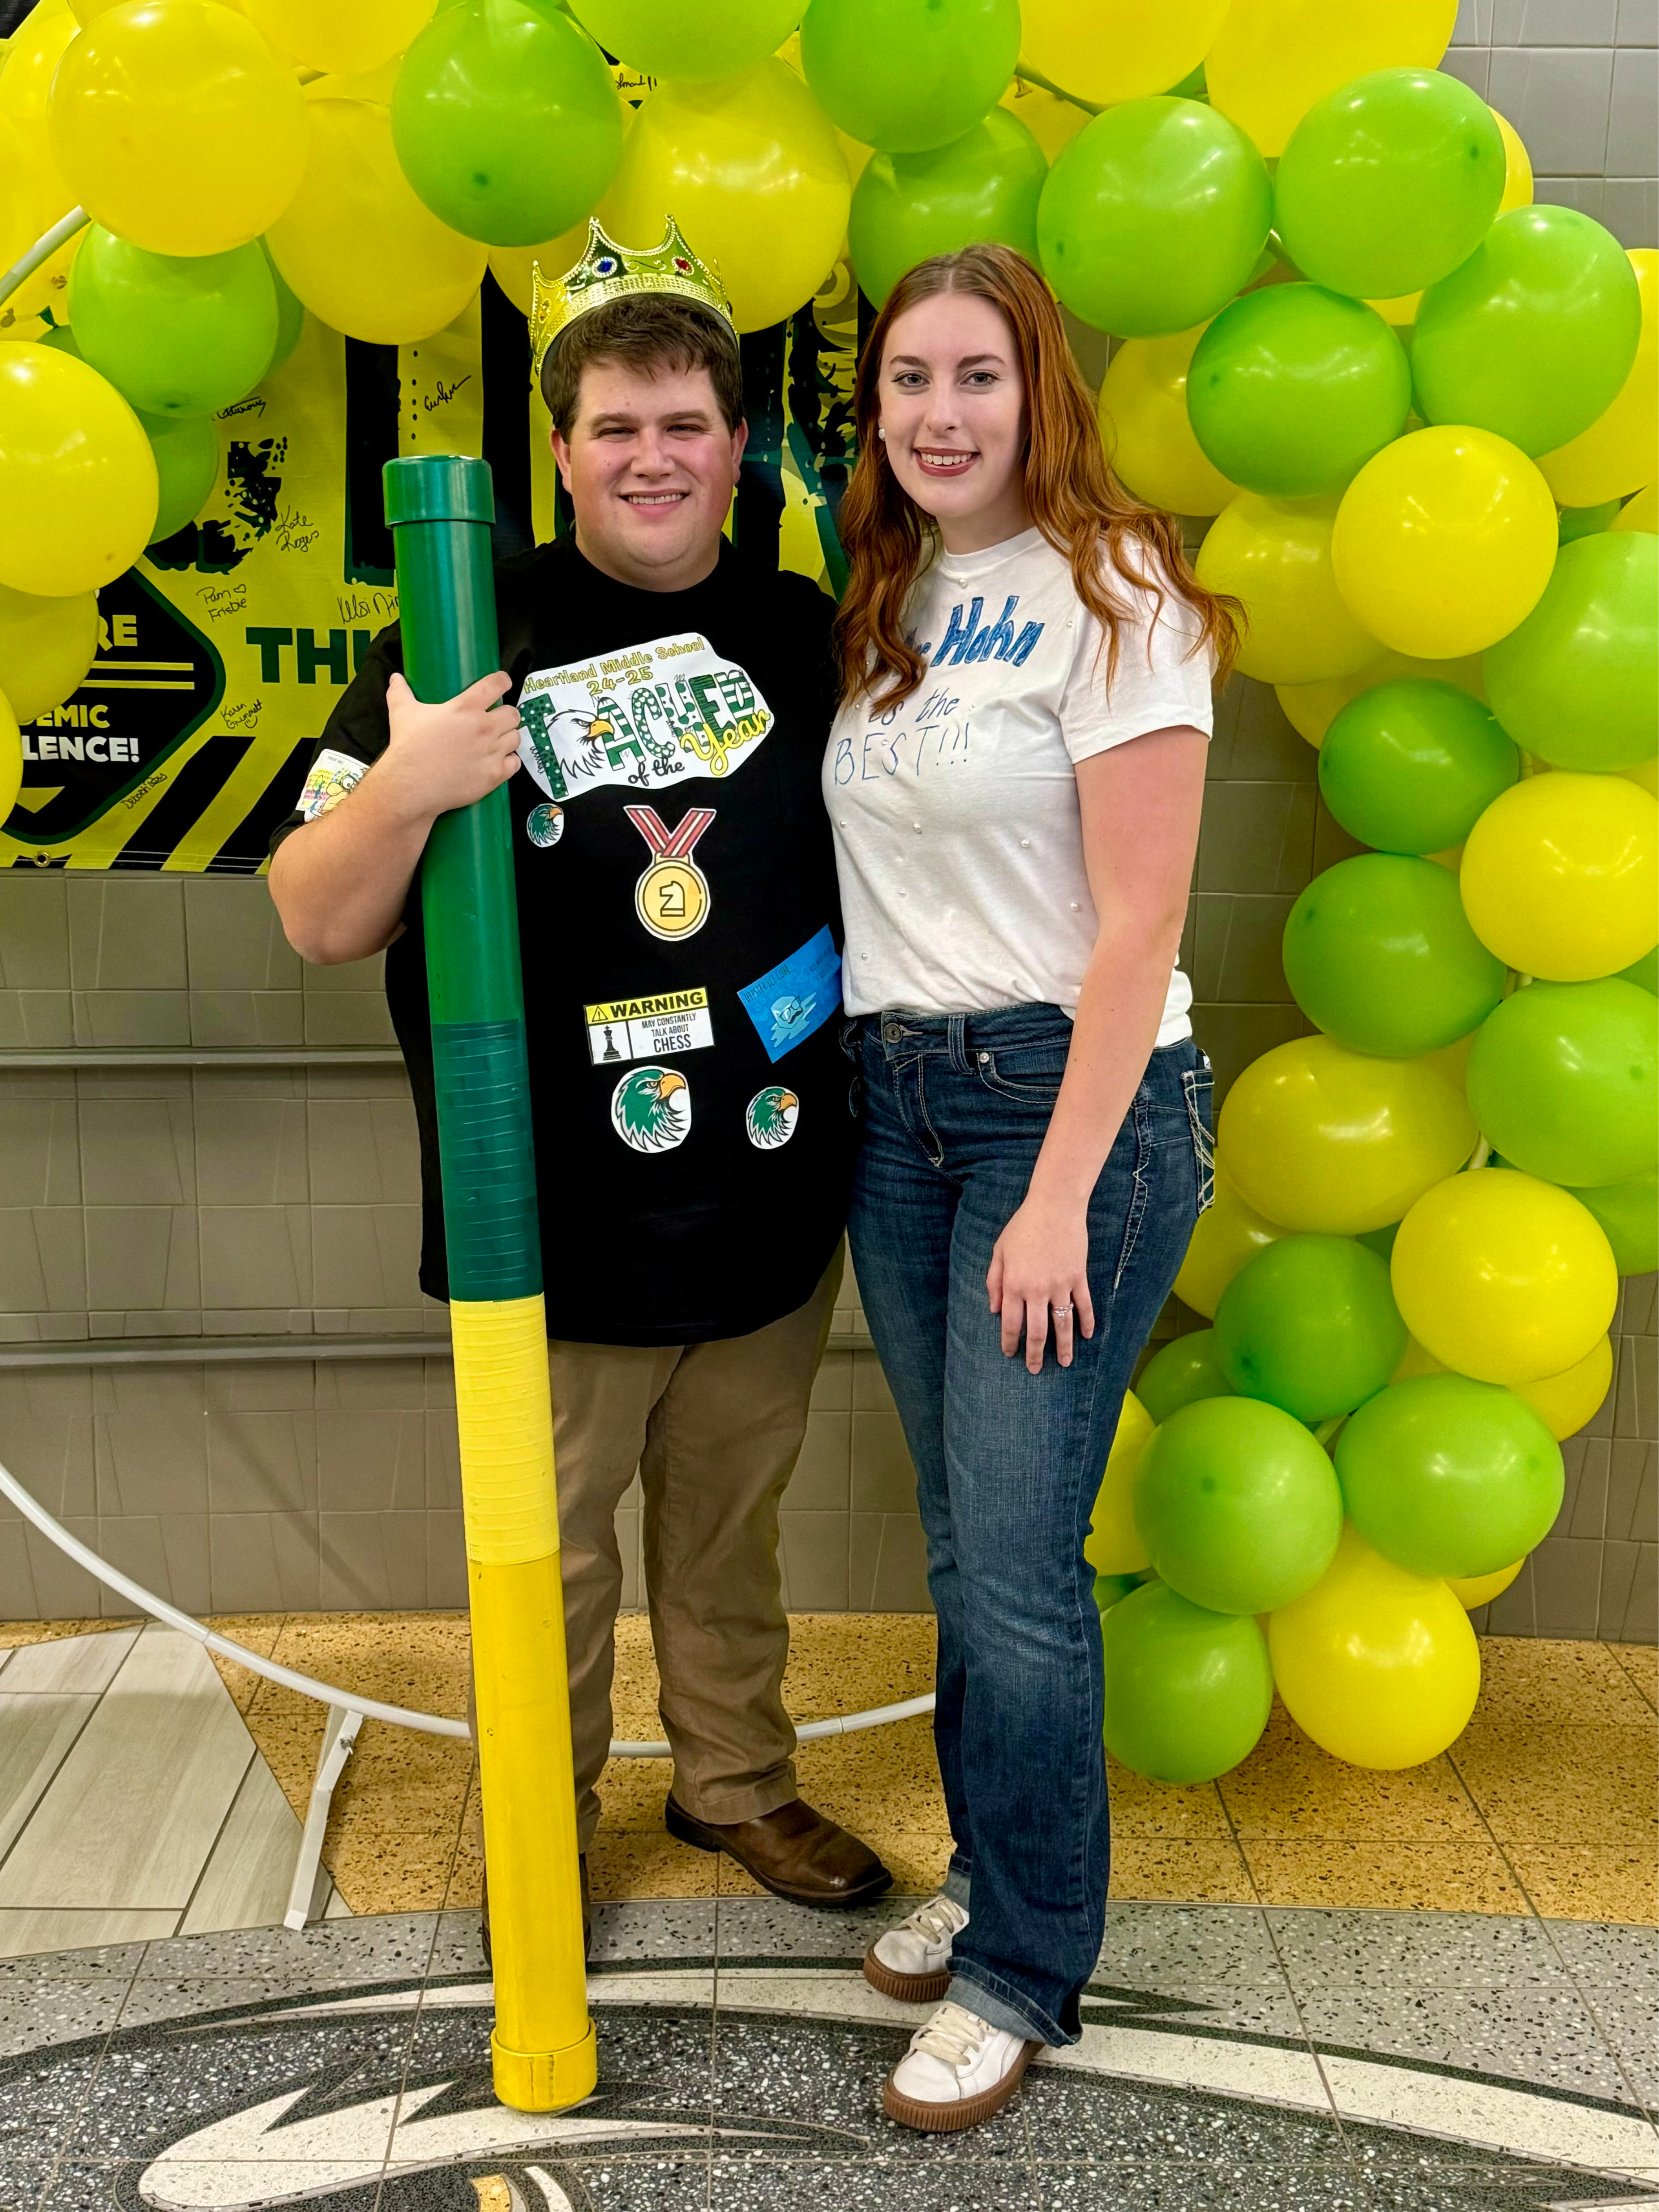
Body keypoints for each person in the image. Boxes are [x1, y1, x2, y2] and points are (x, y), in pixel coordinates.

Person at [269, 219, 891, 1936]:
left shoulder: (801, 630)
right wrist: (409, 783)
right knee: (547, 1564)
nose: (652, 457)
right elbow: (317, 917)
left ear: (734, 446)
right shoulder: (462, 628)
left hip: (769, 1196)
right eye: (615, 426)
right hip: (546, 1218)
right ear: (560, 451)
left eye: (685, 423)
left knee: (726, 1540)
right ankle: (540, 1823)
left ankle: (738, 1785)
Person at [828, 244, 1236, 2130]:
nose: (937, 411)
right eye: (907, 377)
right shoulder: (891, 588)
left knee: (1015, 1569)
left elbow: (1138, 910)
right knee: (961, 1549)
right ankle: (995, 1875)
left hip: (1059, 1116)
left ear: (1036, 388)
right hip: (892, 1102)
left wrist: (1063, 1189)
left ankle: (1020, 1965)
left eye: (973, 375)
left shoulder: (1117, 585)